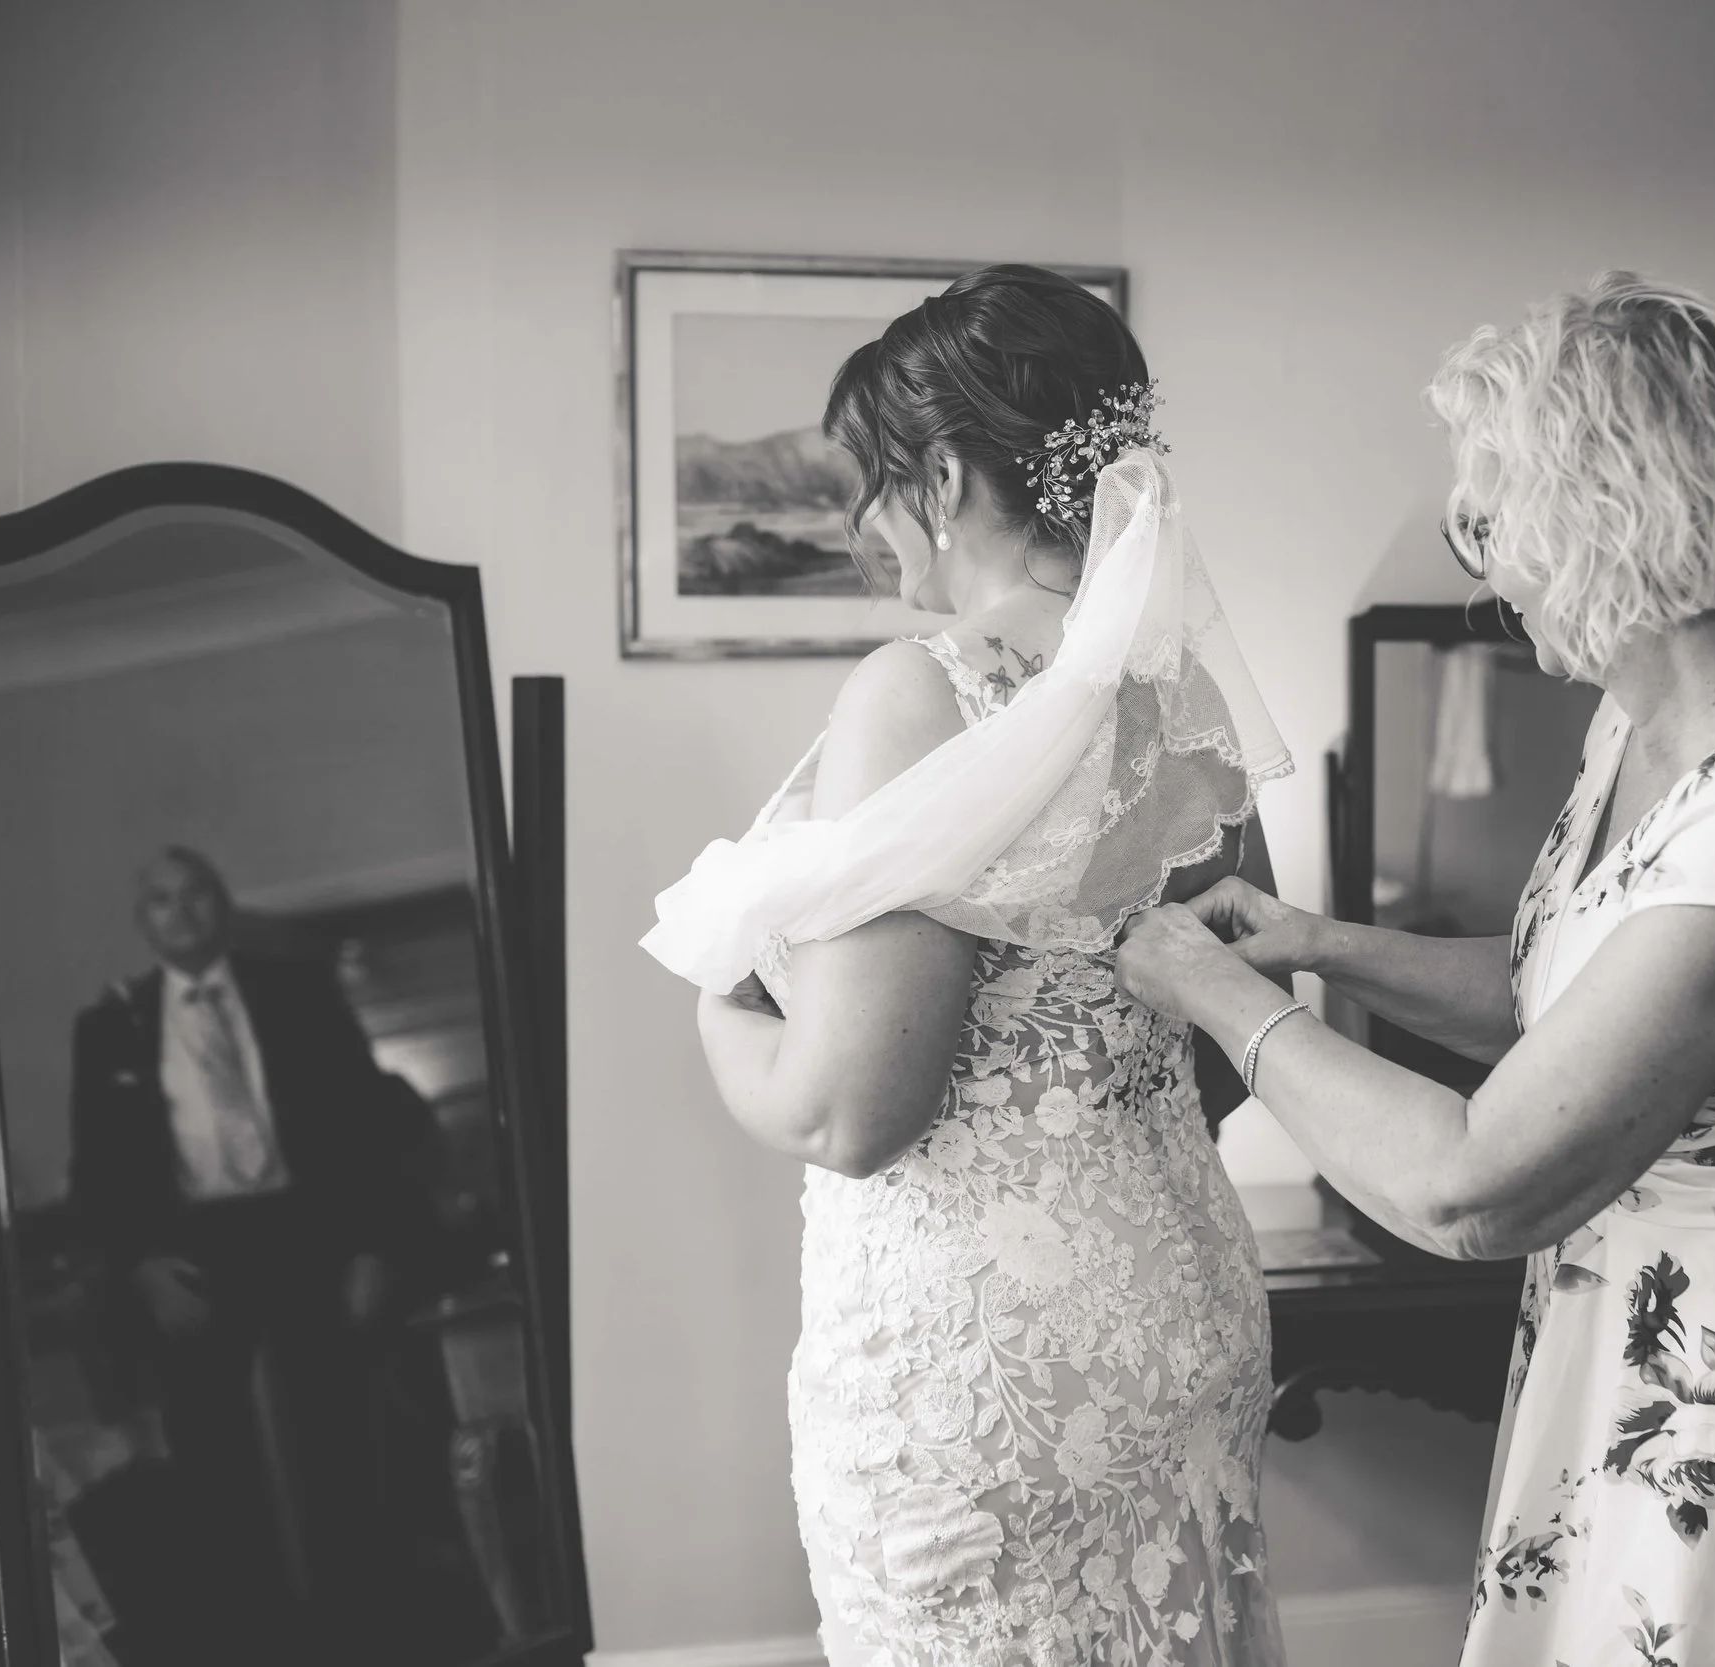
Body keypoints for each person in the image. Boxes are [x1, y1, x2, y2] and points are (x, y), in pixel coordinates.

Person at [1115, 274, 1715, 1665]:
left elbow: (1476, 1184)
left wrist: (1226, 997)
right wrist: (1318, 942)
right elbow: (1575, 1008)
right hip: (1629, 1313)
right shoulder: (1639, 720)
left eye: (1492, 512)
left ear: (1608, 511)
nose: (1485, 562)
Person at [640, 265, 1290, 1667]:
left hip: (992, 1379)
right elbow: (1236, 1033)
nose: (867, 530)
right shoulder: (1185, 698)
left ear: (939, 475)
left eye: (871, 486)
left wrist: (715, 1016)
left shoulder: (923, 688)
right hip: (1185, 1312)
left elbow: (849, 1112)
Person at [68, 846, 427, 1658]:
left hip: (306, 1229)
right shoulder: (109, 1026)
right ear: (143, 921)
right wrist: (141, 1266)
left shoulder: (297, 992)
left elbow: (365, 1121)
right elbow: (94, 1167)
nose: (182, 911)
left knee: (336, 1430)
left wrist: (372, 1244)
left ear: (220, 904)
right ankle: (260, 1637)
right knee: (213, 1454)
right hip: (193, 1249)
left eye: (195, 894)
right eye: (161, 900)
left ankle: (365, 1622)